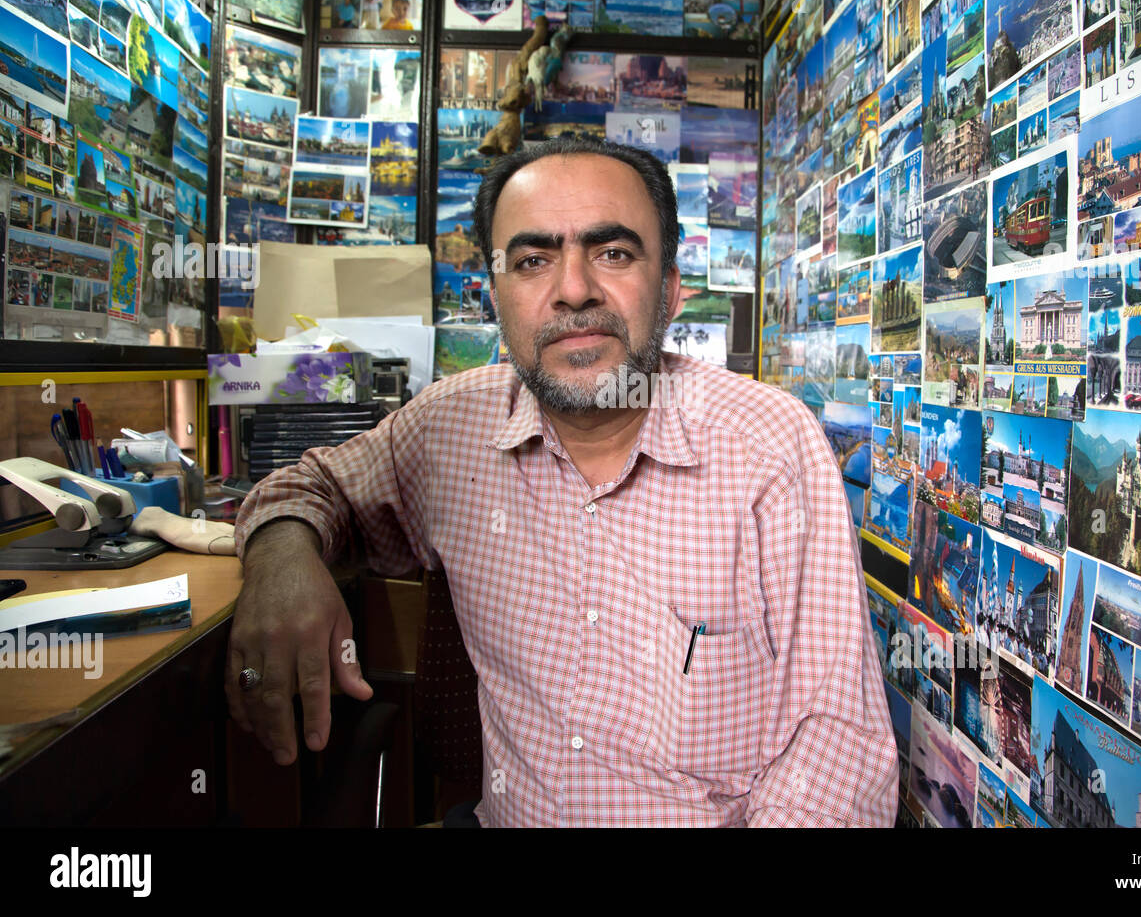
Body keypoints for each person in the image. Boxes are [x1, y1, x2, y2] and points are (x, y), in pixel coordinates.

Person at [228, 139, 899, 827]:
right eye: (533, 260)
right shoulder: (447, 427)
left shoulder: (771, 447)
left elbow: (837, 753)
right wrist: (282, 557)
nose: (575, 290)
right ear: (497, 297)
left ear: (669, 289)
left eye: (613, 254)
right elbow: (312, 487)